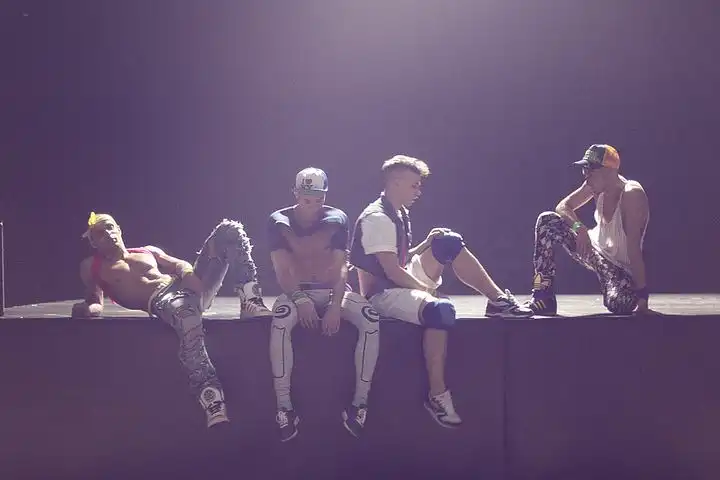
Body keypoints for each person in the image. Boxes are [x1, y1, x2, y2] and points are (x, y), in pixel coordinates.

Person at [349, 155, 533, 429]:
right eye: (414, 185)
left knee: (448, 241)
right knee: (441, 310)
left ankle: (498, 301)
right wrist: (426, 291)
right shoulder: (377, 218)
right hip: (382, 294)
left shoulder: (398, 211)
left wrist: (425, 244)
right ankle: (437, 395)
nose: (418, 191)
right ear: (395, 183)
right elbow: (391, 272)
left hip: (397, 279)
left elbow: (398, 259)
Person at [70, 212, 272, 428]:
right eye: (100, 233)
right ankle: (210, 395)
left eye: (110, 227)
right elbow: (95, 300)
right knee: (187, 317)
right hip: (164, 300)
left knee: (229, 230)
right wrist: (87, 309)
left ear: (119, 229)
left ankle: (250, 299)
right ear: (93, 242)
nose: (108, 234)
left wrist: (189, 274)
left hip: (187, 285)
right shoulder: (92, 266)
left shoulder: (147, 251)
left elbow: (178, 264)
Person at [268, 167, 380, 442]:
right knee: (280, 319)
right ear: (295, 194)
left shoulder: (336, 218)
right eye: (307, 199)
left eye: (319, 199)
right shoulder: (279, 220)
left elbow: (341, 267)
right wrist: (299, 299)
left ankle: (359, 404)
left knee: (370, 318)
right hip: (297, 291)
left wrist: (336, 304)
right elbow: (282, 269)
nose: (313, 205)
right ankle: (284, 408)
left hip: (332, 290)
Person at [525, 144, 650, 315]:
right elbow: (563, 206)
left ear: (609, 171)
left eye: (590, 170)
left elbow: (634, 249)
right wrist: (579, 228)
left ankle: (622, 291)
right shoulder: (593, 185)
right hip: (593, 250)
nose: (585, 174)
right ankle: (543, 296)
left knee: (620, 304)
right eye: (584, 169)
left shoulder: (631, 194)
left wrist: (643, 296)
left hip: (619, 268)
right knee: (547, 221)